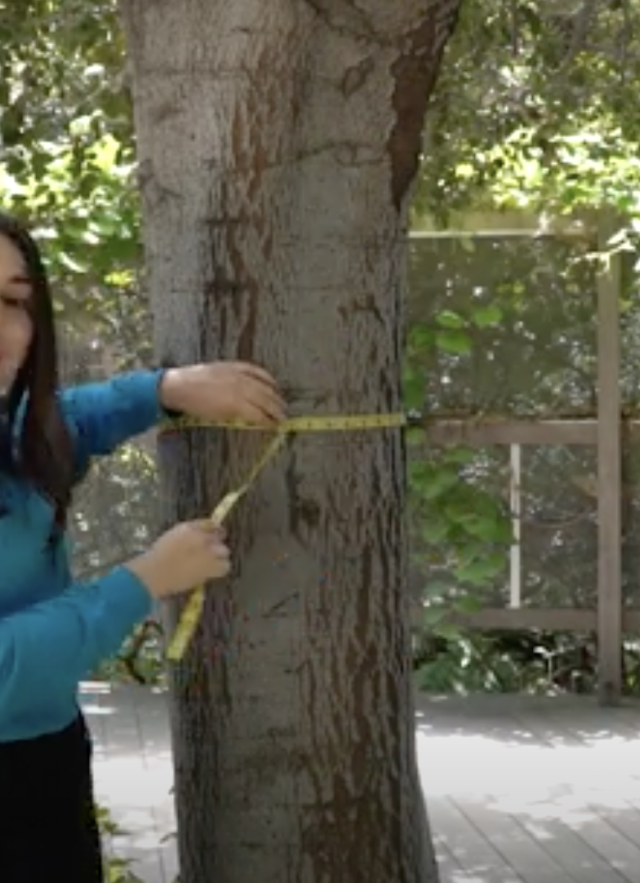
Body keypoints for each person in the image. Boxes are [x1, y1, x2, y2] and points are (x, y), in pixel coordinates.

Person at [0, 211, 286, 883]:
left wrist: (165, 390)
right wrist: (145, 579)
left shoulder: (10, 431)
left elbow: (58, 422)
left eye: (14, 300)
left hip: (46, 759)